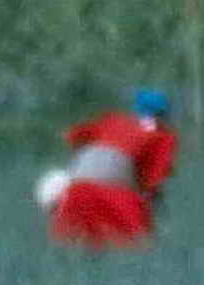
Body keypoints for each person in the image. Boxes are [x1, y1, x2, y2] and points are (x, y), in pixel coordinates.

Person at [49, 88, 178, 249]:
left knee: (72, 248)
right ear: (163, 115)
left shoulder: (112, 121)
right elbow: (151, 184)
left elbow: (72, 136)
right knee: (139, 249)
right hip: (117, 196)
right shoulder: (162, 137)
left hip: (75, 190)